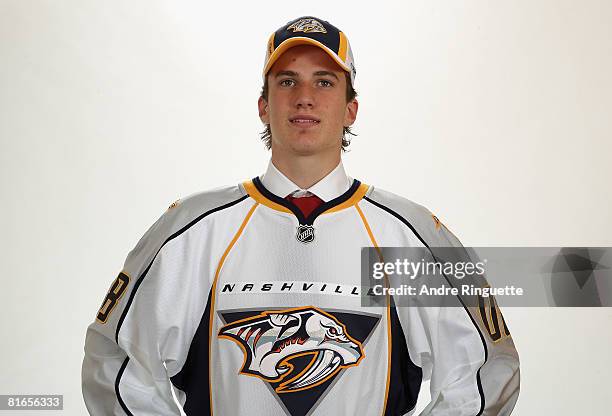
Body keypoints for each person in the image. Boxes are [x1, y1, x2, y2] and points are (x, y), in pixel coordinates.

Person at [82, 16, 520, 416]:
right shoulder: (194, 228)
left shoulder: (406, 233)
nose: (305, 97)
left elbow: (486, 370)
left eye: (325, 82)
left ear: (351, 109)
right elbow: (115, 360)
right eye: (287, 81)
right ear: (263, 106)